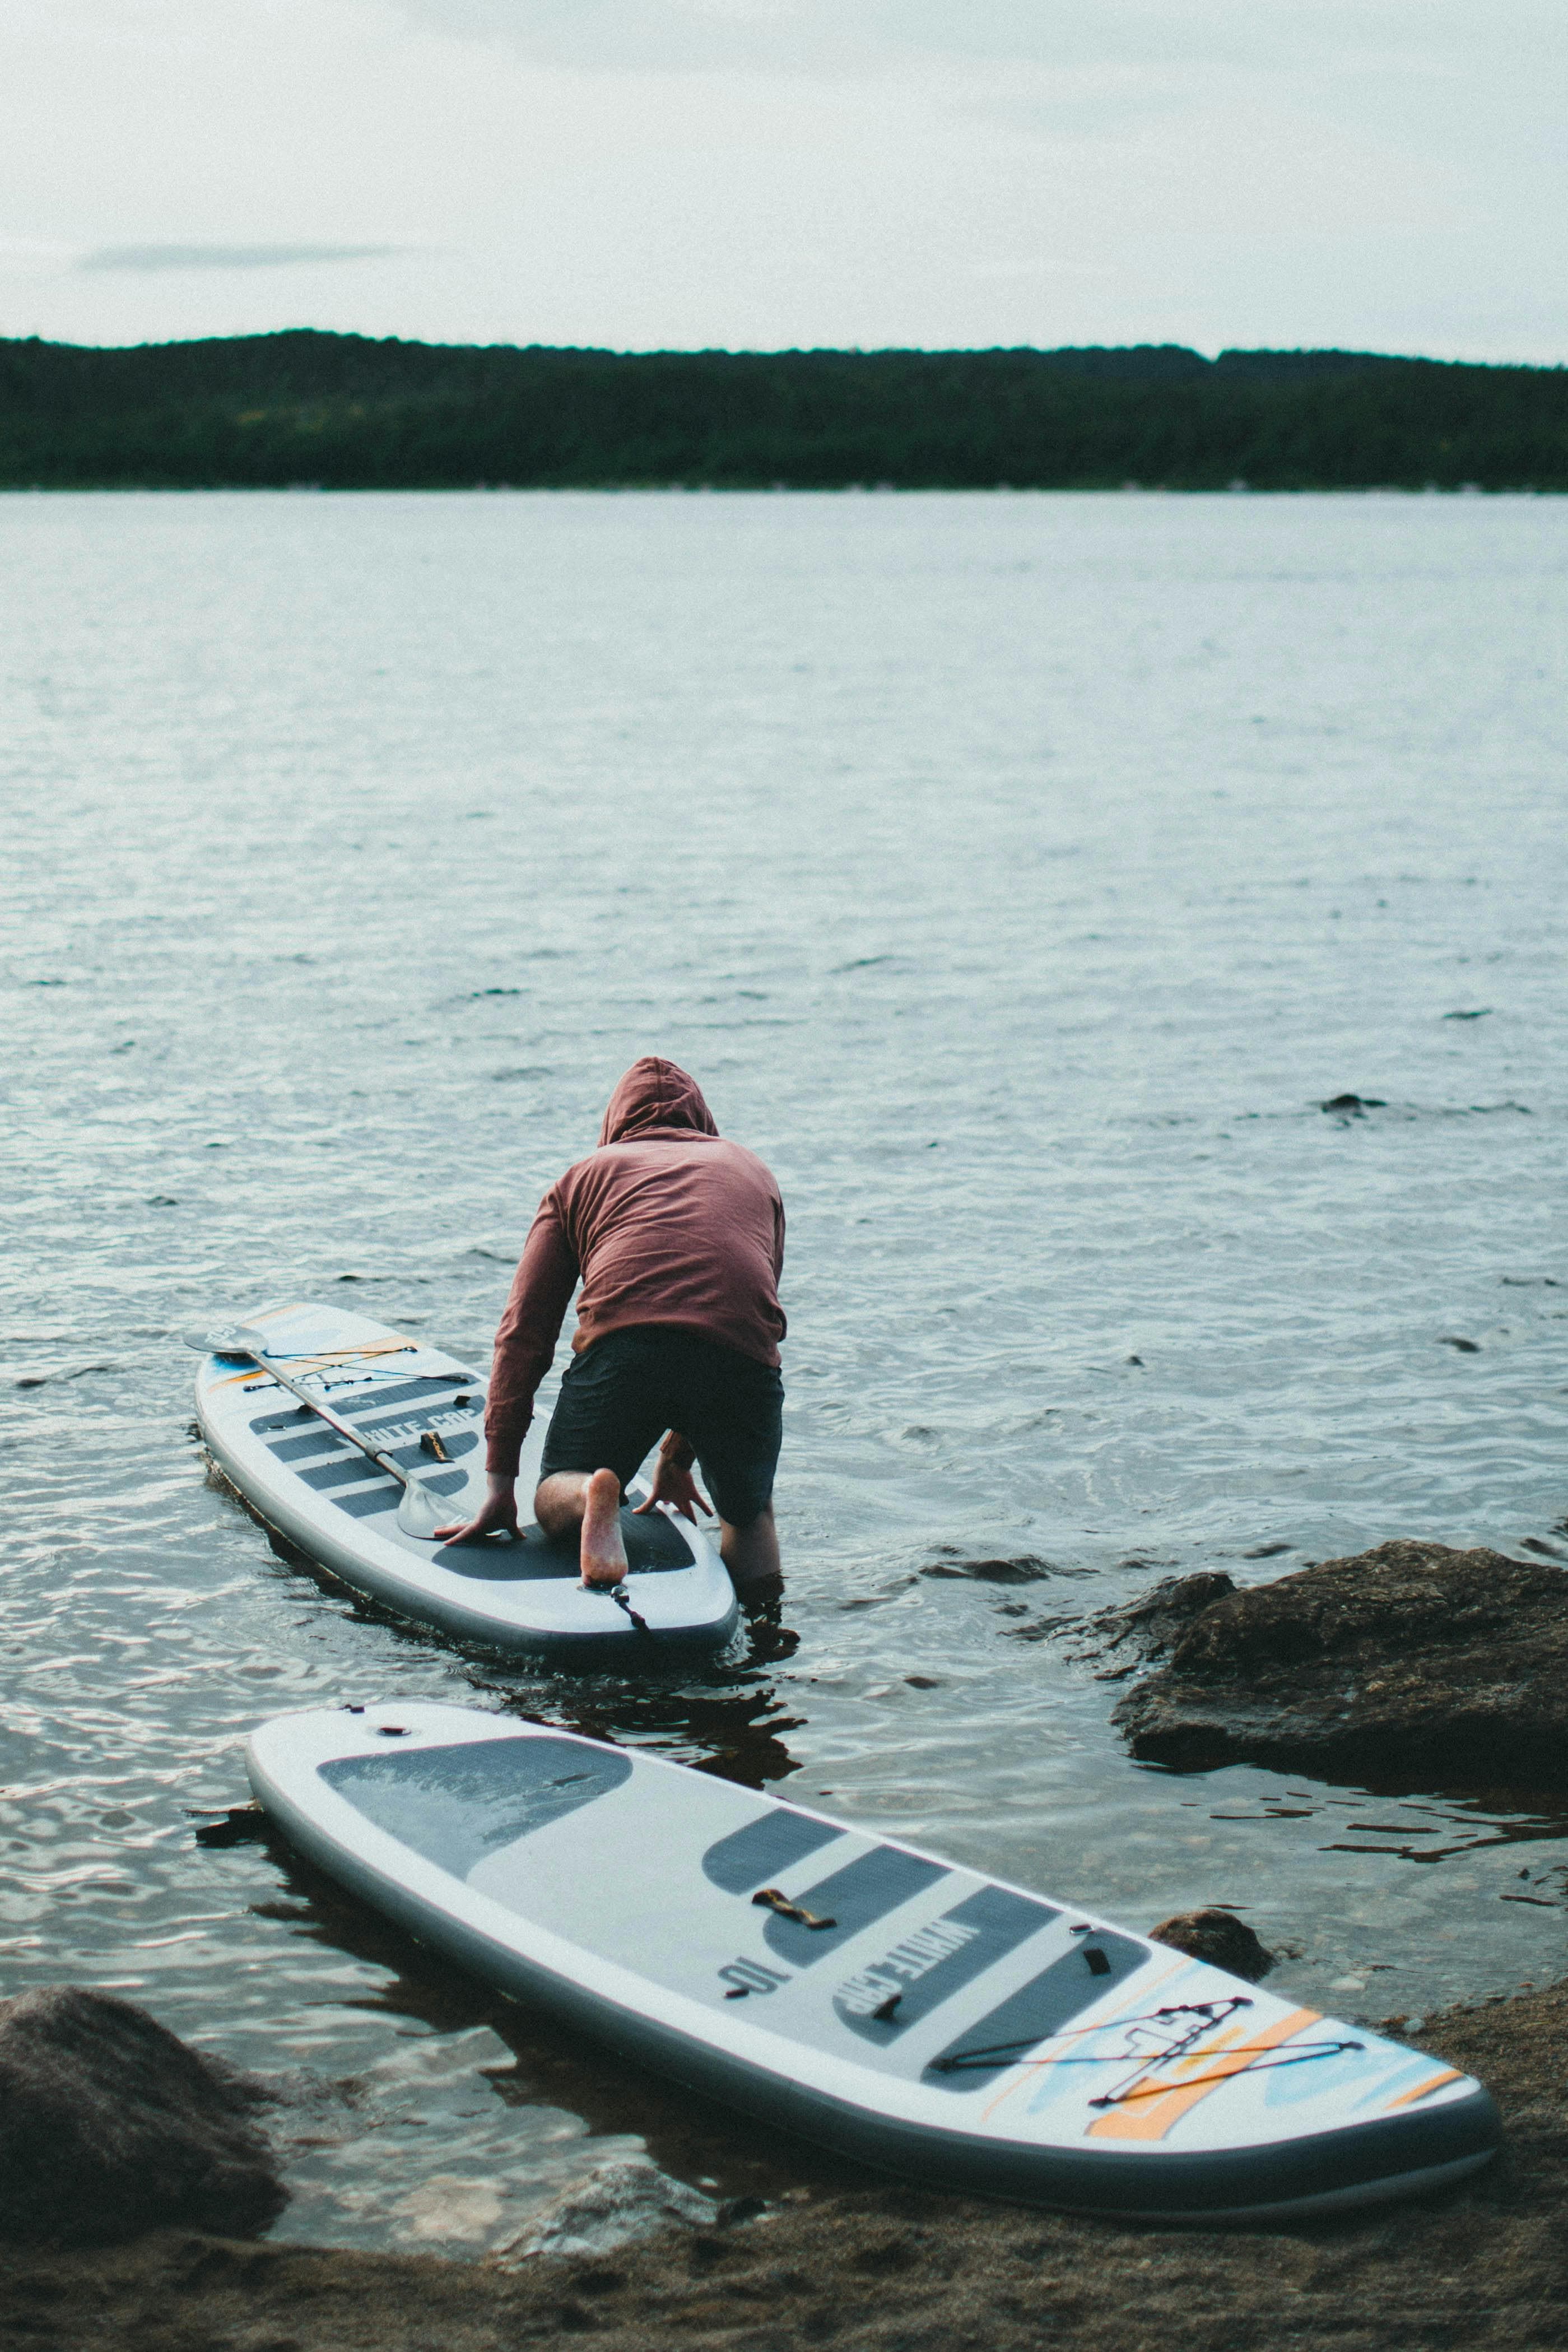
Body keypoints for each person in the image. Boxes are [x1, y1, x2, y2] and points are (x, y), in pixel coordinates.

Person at [435, 1057, 785, 1600]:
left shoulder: (581, 1179)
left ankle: (591, 1494)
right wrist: (677, 1457)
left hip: (625, 1348)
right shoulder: (754, 1173)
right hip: (740, 1358)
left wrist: (501, 1482)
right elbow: (740, 1318)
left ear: (613, 1125)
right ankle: (763, 1638)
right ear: (704, 1121)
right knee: (749, 1511)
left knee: (553, 1489)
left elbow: (523, 1334)